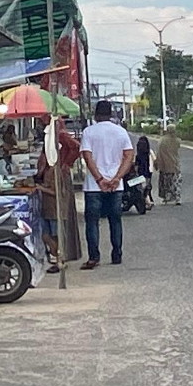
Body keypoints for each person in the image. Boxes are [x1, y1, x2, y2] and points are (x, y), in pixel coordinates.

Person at [79, 100, 134, 269]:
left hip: (94, 186)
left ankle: (94, 257)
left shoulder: (88, 132)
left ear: (95, 115)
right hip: (116, 186)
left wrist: (99, 179)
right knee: (115, 221)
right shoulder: (121, 132)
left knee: (93, 222)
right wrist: (117, 178)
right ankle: (116, 254)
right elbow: (129, 156)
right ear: (111, 114)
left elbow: (87, 157)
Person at [157, 127, 182, 205]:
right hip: (175, 164)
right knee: (176, 182)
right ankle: (177, 198)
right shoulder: (177, 140)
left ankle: (167, 197)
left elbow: (159, 153)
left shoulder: (162, 140)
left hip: (165, 165)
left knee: (166, 182)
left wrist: (158, 163)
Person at [135, 135, 155, 209]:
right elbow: (154, 159)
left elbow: (136, 166)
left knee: (141, 188)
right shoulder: (148, 153)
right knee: (146, 187)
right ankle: (148, 201)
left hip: (140, 174)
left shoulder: (138, 156)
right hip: (148, 172)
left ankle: (148, 202)